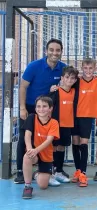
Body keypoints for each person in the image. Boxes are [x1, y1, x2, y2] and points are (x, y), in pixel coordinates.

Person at [16, 38, 66, 185]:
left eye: (58, 50)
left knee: (50, 139)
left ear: (61, 52)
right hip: (32, 107)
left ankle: (51, 170)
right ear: (46, 51)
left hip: (48, 109)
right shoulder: (34, 66)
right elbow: (23, 87)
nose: (54, 53)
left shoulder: (63, 68)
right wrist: (23, 108)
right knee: (24, 139)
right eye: (51, 50)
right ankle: (20, 171)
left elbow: (74, 82)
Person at [71, 58, 97, 187]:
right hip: (74, 115)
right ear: (82, 68)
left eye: (90, 68)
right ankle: (77, 171)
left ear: (94, 69)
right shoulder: (77, 81)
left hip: (87, 117)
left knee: (84, 143)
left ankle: (83, 173)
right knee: (75, 142)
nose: (88, 71)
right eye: (85, 68)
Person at [22, 96, 60, 199]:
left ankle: (35, 174)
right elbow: (27, 135)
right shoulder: (31, 118)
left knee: (43, 186)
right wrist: (30, 150)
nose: (41, 109)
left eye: (44, 106)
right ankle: (27, 186)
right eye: (38, 106)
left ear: (50, 108)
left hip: (45, 153)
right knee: (27, 157)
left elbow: (49, 140)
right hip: (33, 151)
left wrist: (36, 150)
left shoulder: (54, 123)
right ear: (35, 108)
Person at [49, 66, 79, 183]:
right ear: (62, 78)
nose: (69, 80)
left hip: (68, 124)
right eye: (67, 77)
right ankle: (51, 172)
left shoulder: (74, 92)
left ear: (75, 80)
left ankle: (59, 171)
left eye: (72, 78)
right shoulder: (56, 91)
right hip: (56, 124)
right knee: (53, 147)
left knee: (61, 147)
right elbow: (50, 107)